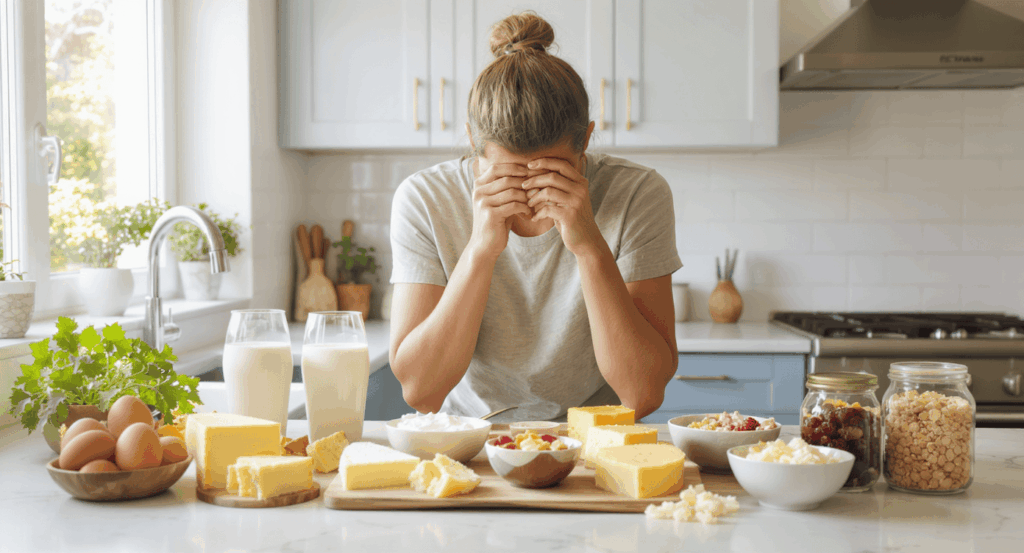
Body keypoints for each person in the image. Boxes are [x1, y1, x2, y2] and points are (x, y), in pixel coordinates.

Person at [388, 12, 681, 422]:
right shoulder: (424, 199)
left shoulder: (637, 193)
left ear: (587, 141)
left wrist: (590, 247)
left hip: (594, 435)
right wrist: (480, 251)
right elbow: (421, 391)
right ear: (474, 142)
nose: (529, 191)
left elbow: (642, 393)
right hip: (471, 434)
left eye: (554, 173)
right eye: (506, 174)